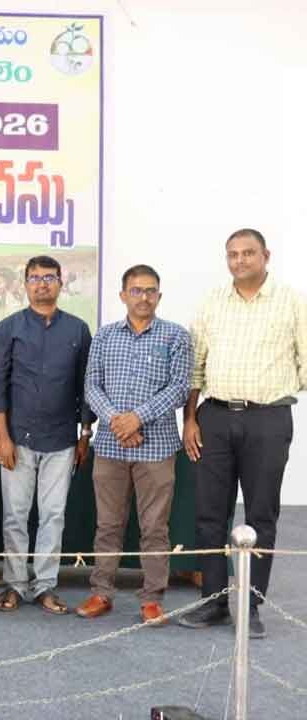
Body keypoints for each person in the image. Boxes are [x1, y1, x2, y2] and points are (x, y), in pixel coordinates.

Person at [179, 228, 307, 639]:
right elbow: (195, 367)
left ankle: (250, 605)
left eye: (248, 253)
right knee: (209, 516)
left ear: (265, 255)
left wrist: (276, 392)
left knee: (261, 516)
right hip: (214, 418)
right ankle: (215, 600)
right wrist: (190, 419)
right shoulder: (213, 302)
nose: (240, 261)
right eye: (232, 254)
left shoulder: (291, 302)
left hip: (268, 421)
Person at [77, 264, 192, 624]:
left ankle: (152, 598)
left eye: (151, 290)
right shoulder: (105, 336)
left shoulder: (175, 336)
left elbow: (179, 388)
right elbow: (91, 386)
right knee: (108, 525)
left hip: (156, 448)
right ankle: (101, 592)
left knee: (155, 527)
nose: (144, 297)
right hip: (111, 447)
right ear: (122, 295)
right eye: (136, 290)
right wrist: (117, 421)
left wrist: (137, 418)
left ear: (159, 295)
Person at [0, 255, 94, 615]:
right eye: (34, 277)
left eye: (49, 277)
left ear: (61, 283)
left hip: (62, 438)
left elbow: (85, 386)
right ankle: (15, 584)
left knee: (53, 515)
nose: (42, 283)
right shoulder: (9, 328)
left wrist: (85, 434)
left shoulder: (77, 330)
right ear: (25, 284)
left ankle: (46, 586)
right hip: (17, 438)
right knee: (15, 515)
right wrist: (2, 436)